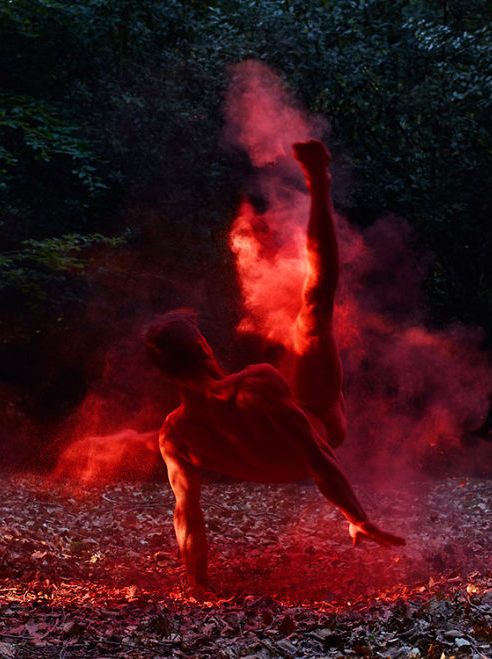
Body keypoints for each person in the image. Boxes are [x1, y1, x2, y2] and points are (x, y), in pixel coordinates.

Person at [144, 140, 404, 591]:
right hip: (322, 421)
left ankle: (318, 182)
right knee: (314, 306)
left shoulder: (174, 435)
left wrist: (198, 584)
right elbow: (317, 453)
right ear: (205, 348)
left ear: (164, 373)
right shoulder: (255, 384)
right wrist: (356, 517)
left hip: (294, 430)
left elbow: (186, 515)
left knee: (310, 310)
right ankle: (319, 181)